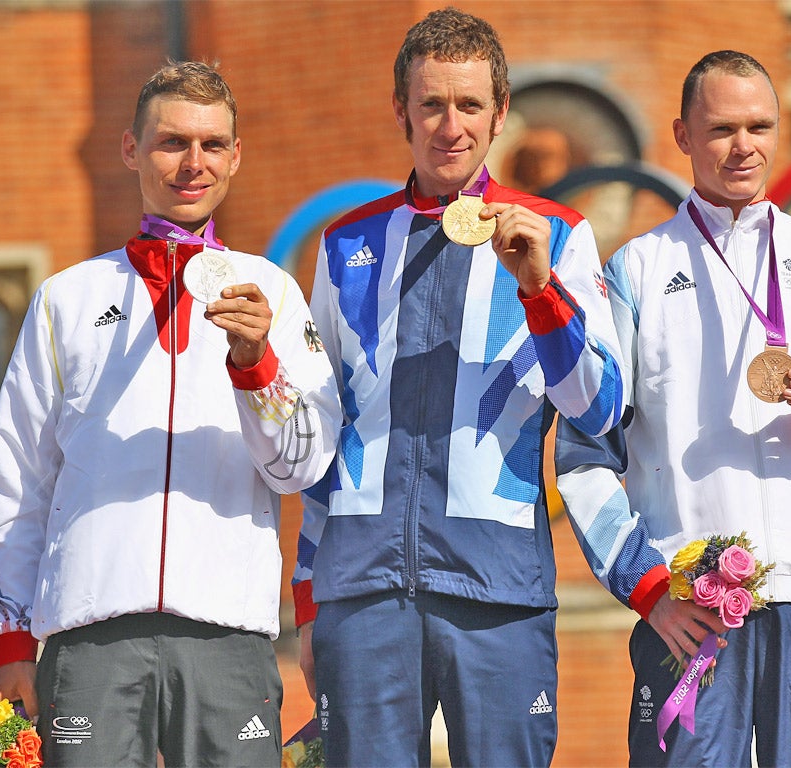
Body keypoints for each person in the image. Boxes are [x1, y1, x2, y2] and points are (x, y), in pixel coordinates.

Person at [556, 50, 791, 767]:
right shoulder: (634, 271)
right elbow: (583, 456)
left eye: (759, 126)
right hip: (693, 608)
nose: (744, 147)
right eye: (723, 128)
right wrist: (649, 590)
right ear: (683, 134)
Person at [0, 61, 342, 768]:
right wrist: (13, 643)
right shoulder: (67, 299)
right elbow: (18, 477)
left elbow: (304, 462)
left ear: (236, 155)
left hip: (227, 633)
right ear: (131, 150)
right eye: (172, 142)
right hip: (91, 633)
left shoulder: (272, 292)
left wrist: (255, 365)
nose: (192, 163)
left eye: (211, 144)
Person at [290, 8, 626, 767]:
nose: (451, 125)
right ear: (401, 109)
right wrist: (310, 597)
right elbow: (323, 425)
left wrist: (540, 289)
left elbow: (597, 407)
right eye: (432, 103)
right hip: (363, 591)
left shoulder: (557, 233)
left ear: (501, 112)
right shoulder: (346, 243)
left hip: (497, 590)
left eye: (470, 104)